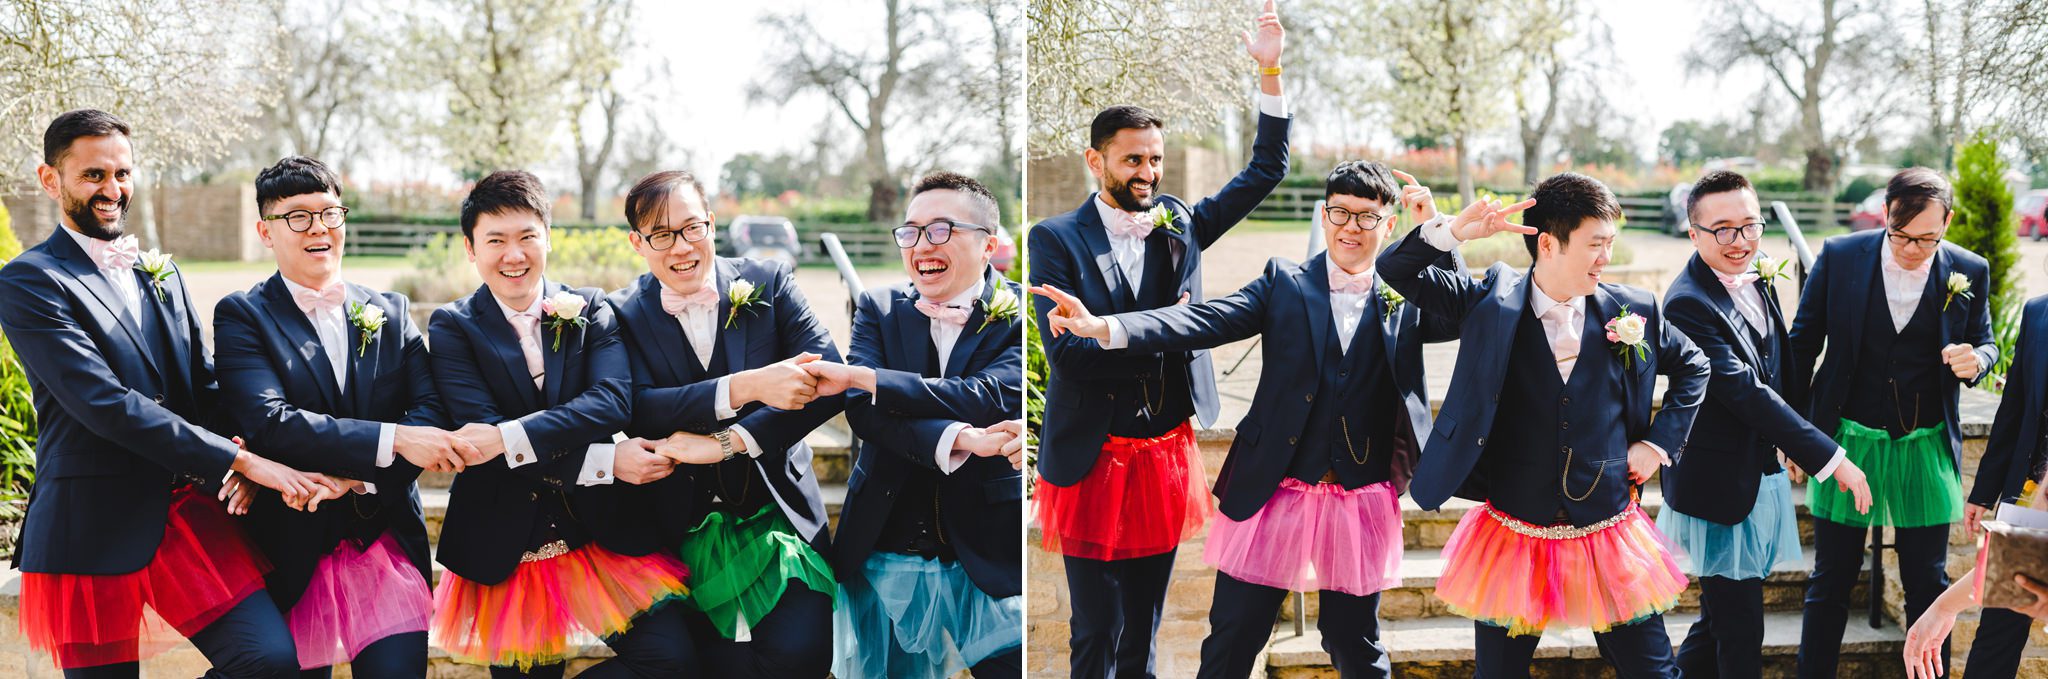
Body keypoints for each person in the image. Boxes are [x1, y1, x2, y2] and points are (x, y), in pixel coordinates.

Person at [1038, 160, 1460, 678]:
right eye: (1340, 213)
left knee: (1356, 643)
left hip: (1359, 497)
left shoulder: (1408, 296)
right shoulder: (1284, 282)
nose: (1351, 226)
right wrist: (1105, 326)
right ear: (1323, 218)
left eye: (1366, 217)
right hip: (1273, 489)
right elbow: (1202, 319)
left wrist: (1439, 234)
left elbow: (1459, 312)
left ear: (1389, 225)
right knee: (1234, 637)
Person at [0, 109, 320, 678]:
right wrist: (239, 459)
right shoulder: (28, 280)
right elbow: (104, 403)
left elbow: (203, 386)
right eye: (93, 175)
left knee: (268, 660)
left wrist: (247, 451)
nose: (113, 189)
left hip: (185, 514)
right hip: (88, 524)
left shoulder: (162, 272)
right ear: (51, 180)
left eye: (122, 174)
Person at [1026, 2, 1290, 675]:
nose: (1148, 171)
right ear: (1097, 160)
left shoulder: (1179, 222)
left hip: (1165, 456)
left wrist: (1270, 72)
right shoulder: (1053, 240)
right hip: (1089, 458)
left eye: (1156, 158)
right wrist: (1170, 329)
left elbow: (1265, 172)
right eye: (1133, 159)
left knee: (1140, 637)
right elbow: (1071, 357)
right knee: (1093, 633)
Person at [1376, 172, 1711, 678]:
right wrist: (1453, 234)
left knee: (1654, 673)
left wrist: (1657, 445)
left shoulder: (1634, 309)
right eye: (1596, 244)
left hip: (1608, 528)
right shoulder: (1488, 301)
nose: (1607, 257)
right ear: (1548, 243)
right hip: (1513, 532)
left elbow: (1695, 366)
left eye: (1611, 244)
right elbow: (1395, 268)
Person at [213, 156, 476, 677]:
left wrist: (350, 476)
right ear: (266, 231)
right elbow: (271, 422)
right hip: (291, 549)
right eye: (298, 216)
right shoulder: (243, 315)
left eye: (331, 213)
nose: (319, 228)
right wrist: (393, 437)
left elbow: (430, 412)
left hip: (383, 542)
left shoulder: (391, 310)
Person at [426, 170, 695, 678]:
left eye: (528, 236)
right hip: (505, 542)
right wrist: (603, 459)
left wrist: (510, 434)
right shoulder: (453, 327)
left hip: (602, 534)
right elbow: (480, 438)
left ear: (548, 237)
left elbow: (612, 402)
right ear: (470, 249)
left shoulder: (591, 308)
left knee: (671, 660)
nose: (514, 255)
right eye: (496, 240)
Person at [605, 169, 841, 678]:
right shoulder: (621, 312)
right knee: (710, 663)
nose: (681, 247)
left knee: (802, 654)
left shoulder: (770, 283)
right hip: (674, 521)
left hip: (777, 509)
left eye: (692, 228)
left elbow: (827, 381)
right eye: (661, 235)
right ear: (637, 243)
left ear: (712, 224)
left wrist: (731, 442)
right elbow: (636, 406)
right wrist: (747, 386)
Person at [1654, 169, 1874, 678]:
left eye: (1750, 226)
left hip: (1756, 476)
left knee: (1717, 623)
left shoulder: (1759, 276)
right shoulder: (1687, 303)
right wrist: (1830, 458)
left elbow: (1781, 368)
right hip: (1718, 488)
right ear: (1694, 234)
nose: (1740, 241)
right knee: (1740, 632)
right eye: (1723, 229)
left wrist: (1794, 442)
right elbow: (1743, 392)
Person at [808, 171, 1025, 679]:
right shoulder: (878, 308)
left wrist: (866, 376)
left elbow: (990, 395)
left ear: (988, 243)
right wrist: (963, 438)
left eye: (941, 229)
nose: (921, 244)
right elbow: (864, 414)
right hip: (887, 545)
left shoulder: (1019, 312)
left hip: (989, 549)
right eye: (911, 231)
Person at [1790, 167, 1997, 679]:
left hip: (1922, 444)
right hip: (1847, 442)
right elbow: (1802, 345)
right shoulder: (1839, 257)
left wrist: (1980, 360)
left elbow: (1988, 342)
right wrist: (1795, 436)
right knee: (1831, 578)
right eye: (1901, 236)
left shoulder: (1969, 268)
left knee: (1927, 582)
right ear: (1885, 215)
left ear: (1947, 222)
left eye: (1928, 238)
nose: (1912, 249)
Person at [1928, 291, 2048, 678]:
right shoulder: (2037, 312)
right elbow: (2014, 410)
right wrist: (1984, 493)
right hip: (2028, 502)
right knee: (1999, 627)